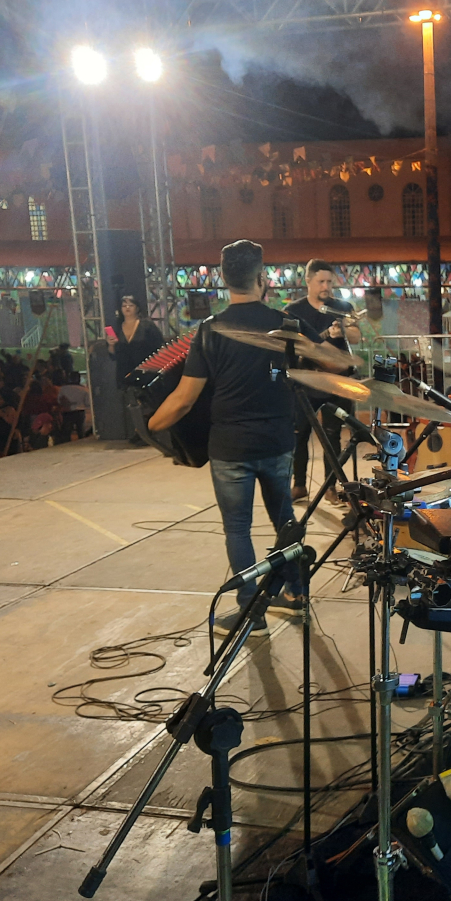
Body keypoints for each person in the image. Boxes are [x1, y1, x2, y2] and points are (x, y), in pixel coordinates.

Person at [147, 240, 356, 634]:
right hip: (276, 441)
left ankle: (249, 611)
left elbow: (184, 398)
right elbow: (338, 363)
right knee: (284, 520)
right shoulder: (286, 324)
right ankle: (295, 593)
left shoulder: (210, 330)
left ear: (224, 279)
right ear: (262, 278)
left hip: (231, 447)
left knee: (237, 528)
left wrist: (150, 426)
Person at [285, 259, 363, 501]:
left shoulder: (342, 306)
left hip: (335, 381)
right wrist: (325, 335)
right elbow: (294, 344)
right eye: (321, 281)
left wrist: (343, 329)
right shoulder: (294, 310)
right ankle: (299, 484)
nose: (326, 287)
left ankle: (331, 486)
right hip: (306, 380)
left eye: (329, 282)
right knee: (299, 433)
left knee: (333, 434)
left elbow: (356, 336)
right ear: (308, 281)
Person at [108, 294, 165, 445]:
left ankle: (151, 430)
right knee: (133, 403)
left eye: (130, 305)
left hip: (146, 370)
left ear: (137, 308)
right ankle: (139, 431)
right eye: (124, 305)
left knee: (148, 402)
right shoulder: (117, 328)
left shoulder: (147, 326)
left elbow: (160, 347)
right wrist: (111, 345)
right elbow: (113, 355)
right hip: (125, 371)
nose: (127, 308)